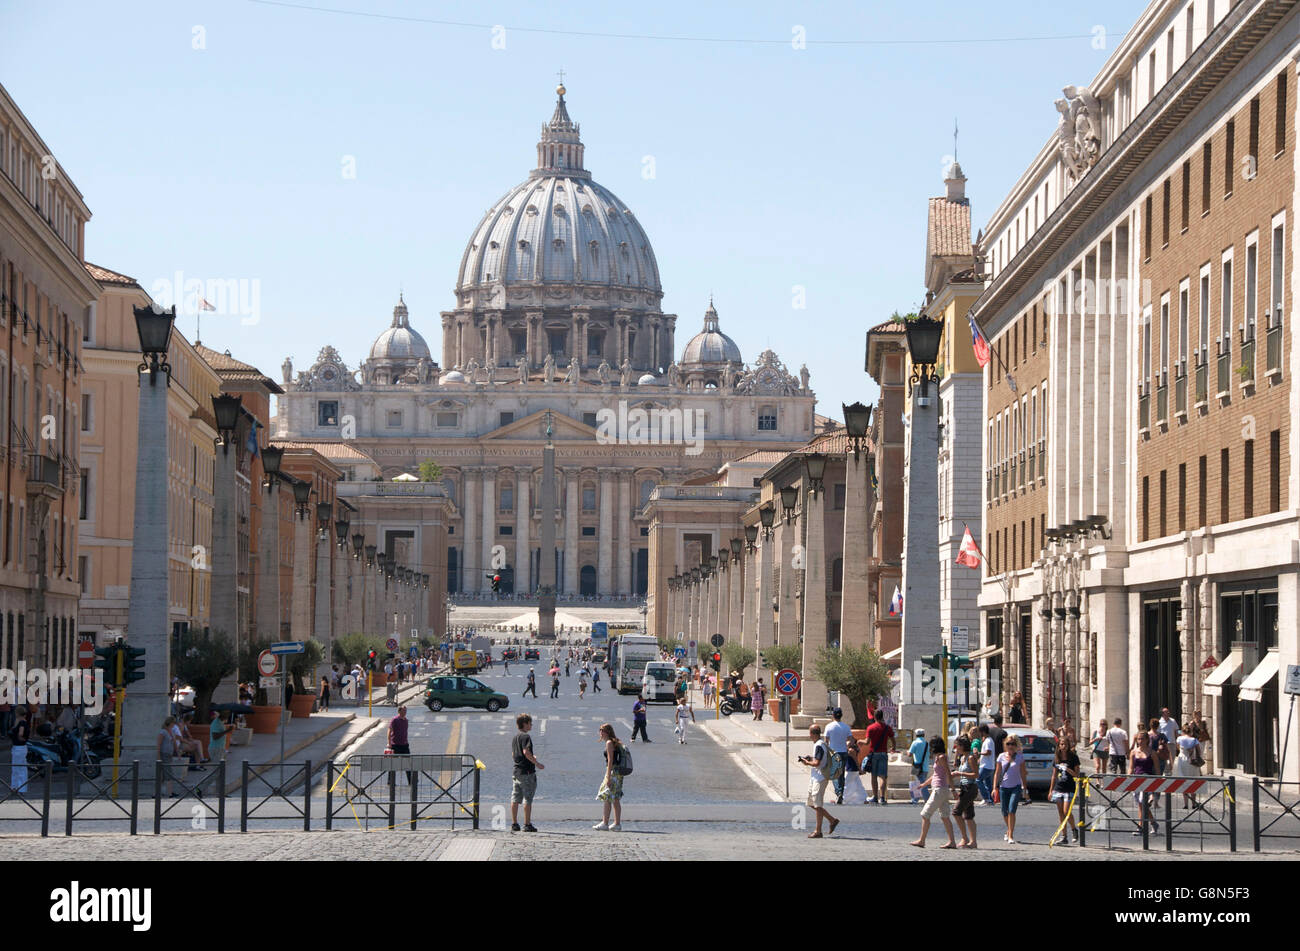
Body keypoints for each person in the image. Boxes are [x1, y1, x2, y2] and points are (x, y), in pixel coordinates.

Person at [911, 736, 956, 849]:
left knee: (925, 814)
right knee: (945, 816)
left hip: (939, 790)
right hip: (941, 789)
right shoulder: (939, 758)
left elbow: (948, 773)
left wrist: (954, 790)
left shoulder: (941, 757)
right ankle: (952, 842)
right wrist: (923, 785)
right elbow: (936, 775)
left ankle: (922, 840)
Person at [798, 724, 840, 838]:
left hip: (820, 778)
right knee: (812, 803)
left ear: (812, 734)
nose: (809, 736)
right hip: (815, 777)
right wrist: (809, 758)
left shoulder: (819, 745)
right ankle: (831, 820)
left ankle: (819, 830)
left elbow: (817, 763)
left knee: (817, 804)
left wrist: (807, 763)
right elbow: (818, 760)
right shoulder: (819, 744)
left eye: (810, 733)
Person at [993, 734, 1029, 844]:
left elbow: (1023, 774)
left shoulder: (1020, 757)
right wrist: (994, 788)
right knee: (1004, 812)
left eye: (1013, 744)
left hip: (1016, 787)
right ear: (1005, 745)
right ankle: (1008, 830)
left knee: (1012, 810)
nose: (1010, 746)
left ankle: (1010, 835)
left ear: (1016, 745)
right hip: (1004, 787)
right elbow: (997, 773)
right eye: (1008, 744)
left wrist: (1025, 789)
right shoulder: (1001, 757)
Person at [510, 713, 543, 832]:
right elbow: (525, 752)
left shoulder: (515, 737)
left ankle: (514, 823)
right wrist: (536, 762)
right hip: (527, 771)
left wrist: (527, 757)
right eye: (530, 723)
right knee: (527, 798)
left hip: (516, 770)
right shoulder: (526, 737)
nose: (531, 725)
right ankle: (527, 824)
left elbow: (514, 754)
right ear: (525, 724)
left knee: (515, 797)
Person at [593, 723, 626, 832]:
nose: (600, 733)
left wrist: (608, 776)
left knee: (607, 797)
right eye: (600, 730)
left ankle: (605, 823)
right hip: (618, 773)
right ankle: (617, 824)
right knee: (615, 798)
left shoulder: (609, 743)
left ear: (607, 732)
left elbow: (610, 760)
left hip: (612, 772)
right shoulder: (614, 742)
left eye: (602, 730)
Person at [1049, 733, 1080, 845]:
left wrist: (1068, 769)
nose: (1063, 746)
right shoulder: (1057, 758)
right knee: (1061, 813)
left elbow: (1077, 774)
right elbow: (1053, 775)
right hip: (1058, 787)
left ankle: (1074, 829)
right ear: (1059, 745)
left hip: (1069, 787)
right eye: (1062, 744)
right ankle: (1064, 836)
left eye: (1065, 744)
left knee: (1067, 811)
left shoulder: (1073, 757)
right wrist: (1050, 790)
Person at [950, 736, 979, 848]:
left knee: (956, 812)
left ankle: (965, 837)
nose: (956, 748)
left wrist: (959, 774)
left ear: (962, 746)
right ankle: (973, 842)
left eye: (957, 745)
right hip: (964, 787)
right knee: (968, 815)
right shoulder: (963, 757)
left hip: (970, 787)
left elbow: (976, 775)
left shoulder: (970, 758)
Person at [1129, 730, 1159, 836]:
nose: (1140, 741)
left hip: (1148, 780)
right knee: (1142, 805)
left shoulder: (1152, 753)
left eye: (1142, 739)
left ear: (1147, 740)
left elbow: (1157, 769)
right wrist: (1128, 780)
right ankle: (1153, 823)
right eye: (1138, 739)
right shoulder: (1133, 752)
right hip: (1136, 780)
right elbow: (1131, 768)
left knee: (1142, 803)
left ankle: (1140, 827)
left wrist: (1157, 783)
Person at [864, 709, 896, 804]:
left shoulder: (871, 728)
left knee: (874, 776)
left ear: (874, 717)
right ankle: (882, 797)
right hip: (883, 753)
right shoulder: (887, 728)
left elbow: (867, 742)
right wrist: (893, 747)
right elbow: (893, 740)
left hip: (874, 754)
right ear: (882, 716)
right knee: (882, 776)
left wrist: (859, 742)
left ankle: (875, 797)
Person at [823, 707, 851, 804]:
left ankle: (838, 792)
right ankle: (841, 793)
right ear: (841, 715)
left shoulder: (829, 727)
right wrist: (847, 745)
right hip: (843, 752)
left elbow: (826, 741)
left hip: (834, 753)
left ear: (833, 715)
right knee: (841, 774)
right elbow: (850, 740)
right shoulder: (846, 727)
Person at [1173, 722, 1203, 808]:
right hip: (1192, 761)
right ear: (1190, 732)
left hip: (1182, 760)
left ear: (1182, 731)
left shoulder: (1179, 739)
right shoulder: (1194, 740)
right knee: (1193, 780)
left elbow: (1178, 748)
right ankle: (1193, 803)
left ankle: (1185, 804)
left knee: (1183, 781)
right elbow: (1199, 752)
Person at [8, 707, 29, 795]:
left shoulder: (21, 723)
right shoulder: (24, 722)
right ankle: (21, 788)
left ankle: (16, 787)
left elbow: (20, 733)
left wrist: (18, 738)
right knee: (22, 768)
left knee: (17, 768)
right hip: (22, 747)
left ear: (17, 713)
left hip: (18, 747)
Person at [908, 728, 931, 804]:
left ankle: (926, 800)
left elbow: (910, 754)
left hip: (916, 766)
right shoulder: (927, 743)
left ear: (916, 735)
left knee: (917, 783)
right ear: (923, 735)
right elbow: (930, 755)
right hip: (925, 767)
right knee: (921, 782)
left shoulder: (915, 743)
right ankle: (915, 799)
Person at [158, 716, 178, 798]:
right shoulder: (163, 732)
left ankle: (166, 791)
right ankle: (169, 792)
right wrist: (158, 756)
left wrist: (177, 752)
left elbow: (174, 743)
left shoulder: (171, 732)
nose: (174, 725)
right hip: (164, 754)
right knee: (167, 774)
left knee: (165, 774)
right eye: (174, 723)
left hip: (169, 754)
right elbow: (159, 744)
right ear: (170, 723)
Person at [976, 724, 997, 805]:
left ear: (983, 732)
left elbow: (989, 752)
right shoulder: (988, 740)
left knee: (978, 780)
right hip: (988, 765)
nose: (979, 734)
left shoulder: (988, 741)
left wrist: (979, 753)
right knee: (988, 784)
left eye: (980, 732)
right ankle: (991, 800)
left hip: (986, 766)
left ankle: (986, 798)